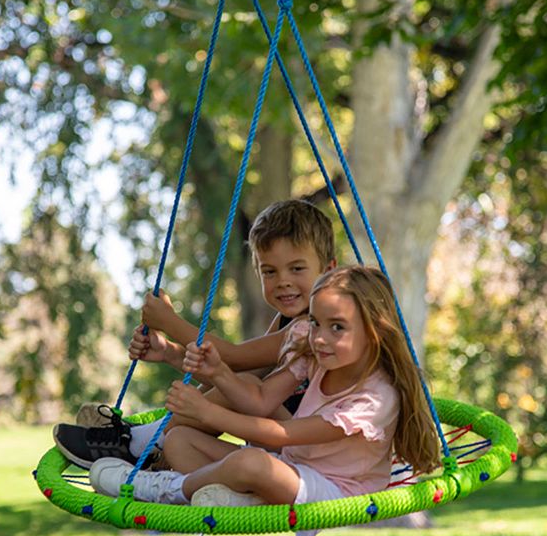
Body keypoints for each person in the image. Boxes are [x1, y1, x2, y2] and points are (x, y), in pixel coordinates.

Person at [87, 265, 441, 536]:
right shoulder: (316, 354)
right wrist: (219, 373)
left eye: (337, 328)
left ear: (375, 331)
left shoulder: (376, 398)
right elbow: (260, 400)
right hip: (293, 468)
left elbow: (282, 434)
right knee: (180, 441)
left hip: (336, 492)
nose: (320, 338)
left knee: (252, 463)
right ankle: (244, 499)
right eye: (315, 322)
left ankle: (162, 489)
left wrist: (207, 411)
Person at [53, 199, 336, 469]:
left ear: (329, 270)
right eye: (270, 271)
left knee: (245, 384)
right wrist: (169, 352)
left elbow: (235, 358)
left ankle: (137, 445)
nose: (283, 281)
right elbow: (229, 375)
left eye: (296, 268)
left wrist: (169, 322)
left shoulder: (313, 327)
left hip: (306, 446)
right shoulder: (287, 320)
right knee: (190, 429)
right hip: (279, 445)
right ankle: (150, 444)